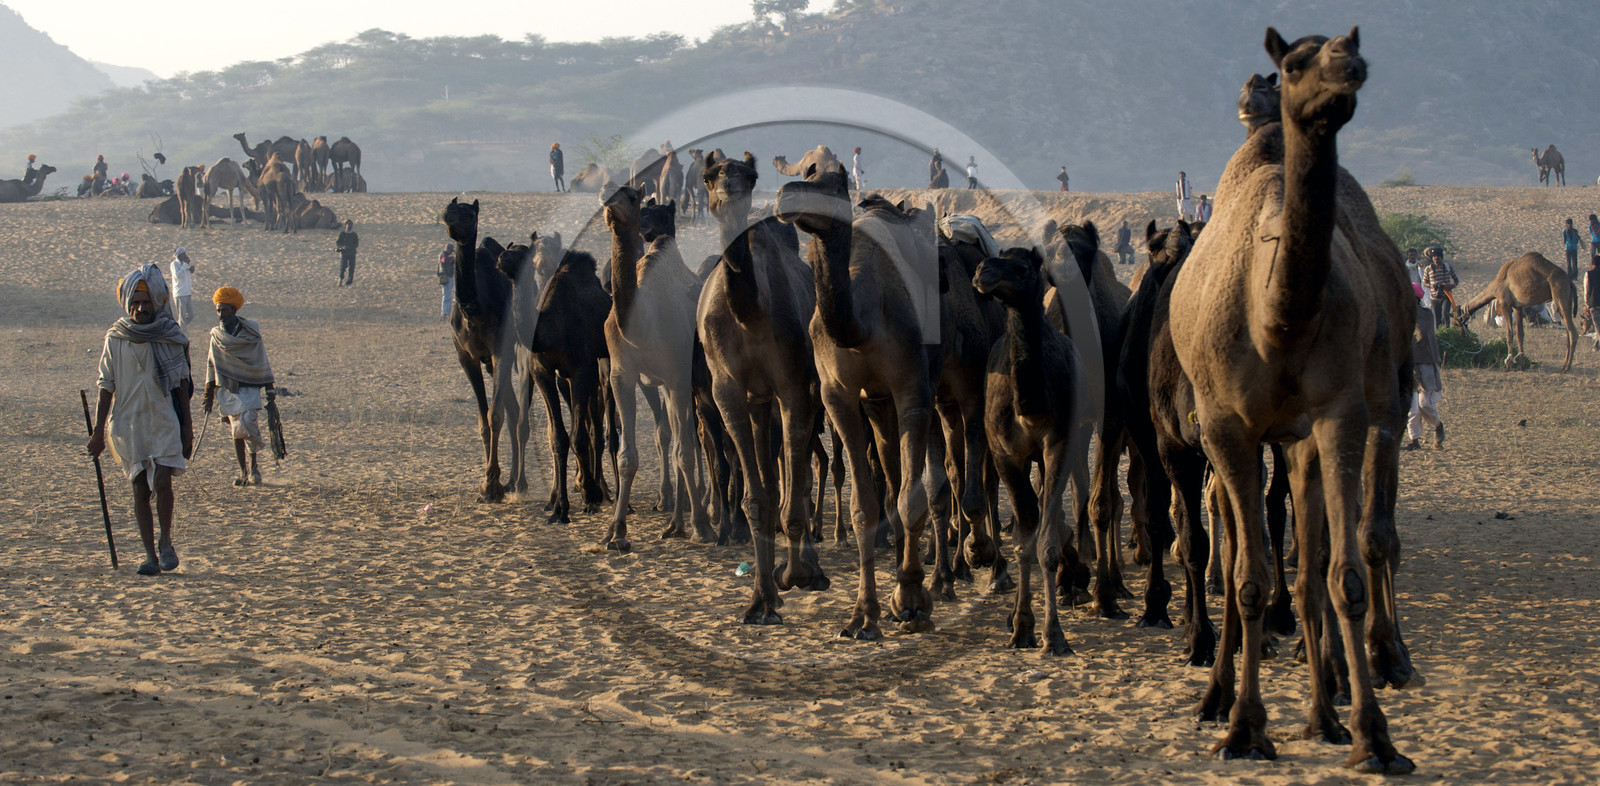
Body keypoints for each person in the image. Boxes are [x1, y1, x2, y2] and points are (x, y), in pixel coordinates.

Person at [87, 265, 193, 576]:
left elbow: (182, 384)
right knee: (139, 490)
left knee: (162, 481)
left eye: (146, 302)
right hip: (128, 423)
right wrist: (97, 432)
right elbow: (106, 386)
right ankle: (149, 555)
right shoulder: (115, 338)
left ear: (156, 303)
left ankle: (166, 542)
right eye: (135, 303)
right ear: (127, 304)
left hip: (163, 419)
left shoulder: (170, 337)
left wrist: (187, 428)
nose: (141, 308)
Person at [204, 286, 276, 487]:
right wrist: (208, 396)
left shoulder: (251, 333)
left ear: (234, 310)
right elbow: (211, 364)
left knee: (248, 425)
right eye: (218, 311)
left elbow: (261, 359)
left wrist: (269, 388)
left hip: (249, 386)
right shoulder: (216, 335)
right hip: (227, 389)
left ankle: (254, 467)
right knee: (236, 430)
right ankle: (244, 472)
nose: (221, 315)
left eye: (225, 310)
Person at [1403, 286, 1445, 451]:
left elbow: (1424, 337)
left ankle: (1438, 425)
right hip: (1409, 364)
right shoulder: (1402, 316)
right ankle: (1414, 440)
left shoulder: (1426, 315)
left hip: (1425, 362)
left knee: (1424, 402)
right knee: (1413, 409)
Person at [1421, 245, 1458, 329]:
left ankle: (1447, 331)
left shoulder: (1448, 267)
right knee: (1437, 318)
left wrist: (1452, 286)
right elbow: (1424, 282)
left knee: (1445, 315)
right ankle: (1440, 333)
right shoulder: (1428, 269)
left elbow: (1456, 280)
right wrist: (1431, 286)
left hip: (1446, 295)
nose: (1436, 258)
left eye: (1438, 257)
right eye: (1434, 257)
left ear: (1441, 258)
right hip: (1434, 297)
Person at [169, 247, 195, 327]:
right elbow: (177, 275)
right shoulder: (174, 264)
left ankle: (178, 327)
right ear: (179, 255)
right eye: (183, 254)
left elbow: (185, 277)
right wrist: (186, 264)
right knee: (182, 317)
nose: (185, 255)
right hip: (180, 294)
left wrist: (189, 270)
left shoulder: (184, 265)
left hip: (187, 293)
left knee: (191, 314)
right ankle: (182, 331)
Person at [336, 220, 359, 286]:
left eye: (351, 225)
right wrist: (342, 246)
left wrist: (350, 247)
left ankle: (349, 283)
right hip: (344, 253)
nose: (349, 226)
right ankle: (340, 279)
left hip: (352, 253)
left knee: (351, 268)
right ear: (345, 225)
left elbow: (356, 244)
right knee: (343, 266)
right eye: (348, 225)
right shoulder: (342, 234)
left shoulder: (354, 234)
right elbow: (338, 243)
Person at [438, 244, 455, 320]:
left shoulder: (445, 255)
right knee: (447, 296)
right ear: (448, 249)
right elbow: (444, 260)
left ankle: (446, 313)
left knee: (448, 296)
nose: (451, 252)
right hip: (446, 277)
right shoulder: (443, 255)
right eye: (451, 250)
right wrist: (452, 258)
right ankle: (445, 314)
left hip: (447, 277)